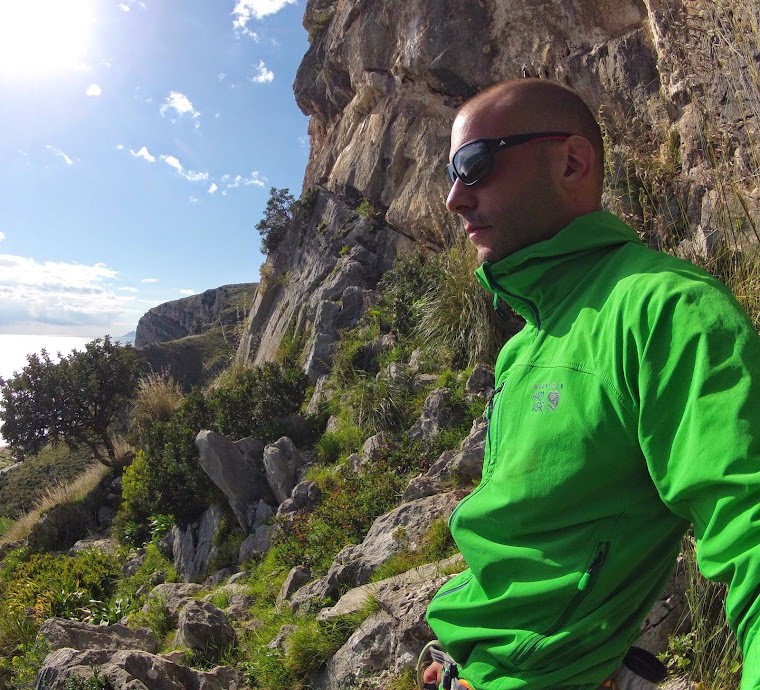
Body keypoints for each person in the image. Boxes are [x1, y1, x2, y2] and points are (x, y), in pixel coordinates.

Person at [422, 78, 760, 689]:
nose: (454, 198)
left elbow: (751, 532)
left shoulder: (669, 311)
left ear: (572, 163)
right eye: (451, 173)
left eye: (473, 165)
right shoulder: (522, 345)